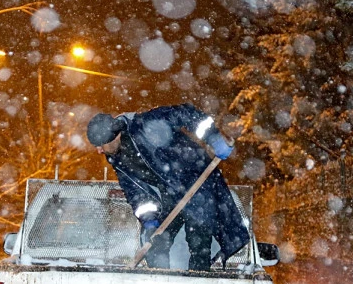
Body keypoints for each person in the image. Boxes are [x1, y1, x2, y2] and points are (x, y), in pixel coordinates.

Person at [86, 104, 250, 271]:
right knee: (155, 245)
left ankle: (199, 282)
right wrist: (149, 221)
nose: (99, 150)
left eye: (100, 145)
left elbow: (186, 113)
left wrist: (213, 137)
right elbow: (134, 191)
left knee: (198, 243)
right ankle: (160, 282)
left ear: (113, 137)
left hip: (197, 182)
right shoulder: (116, 158)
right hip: (170, 193)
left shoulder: (144, 124)